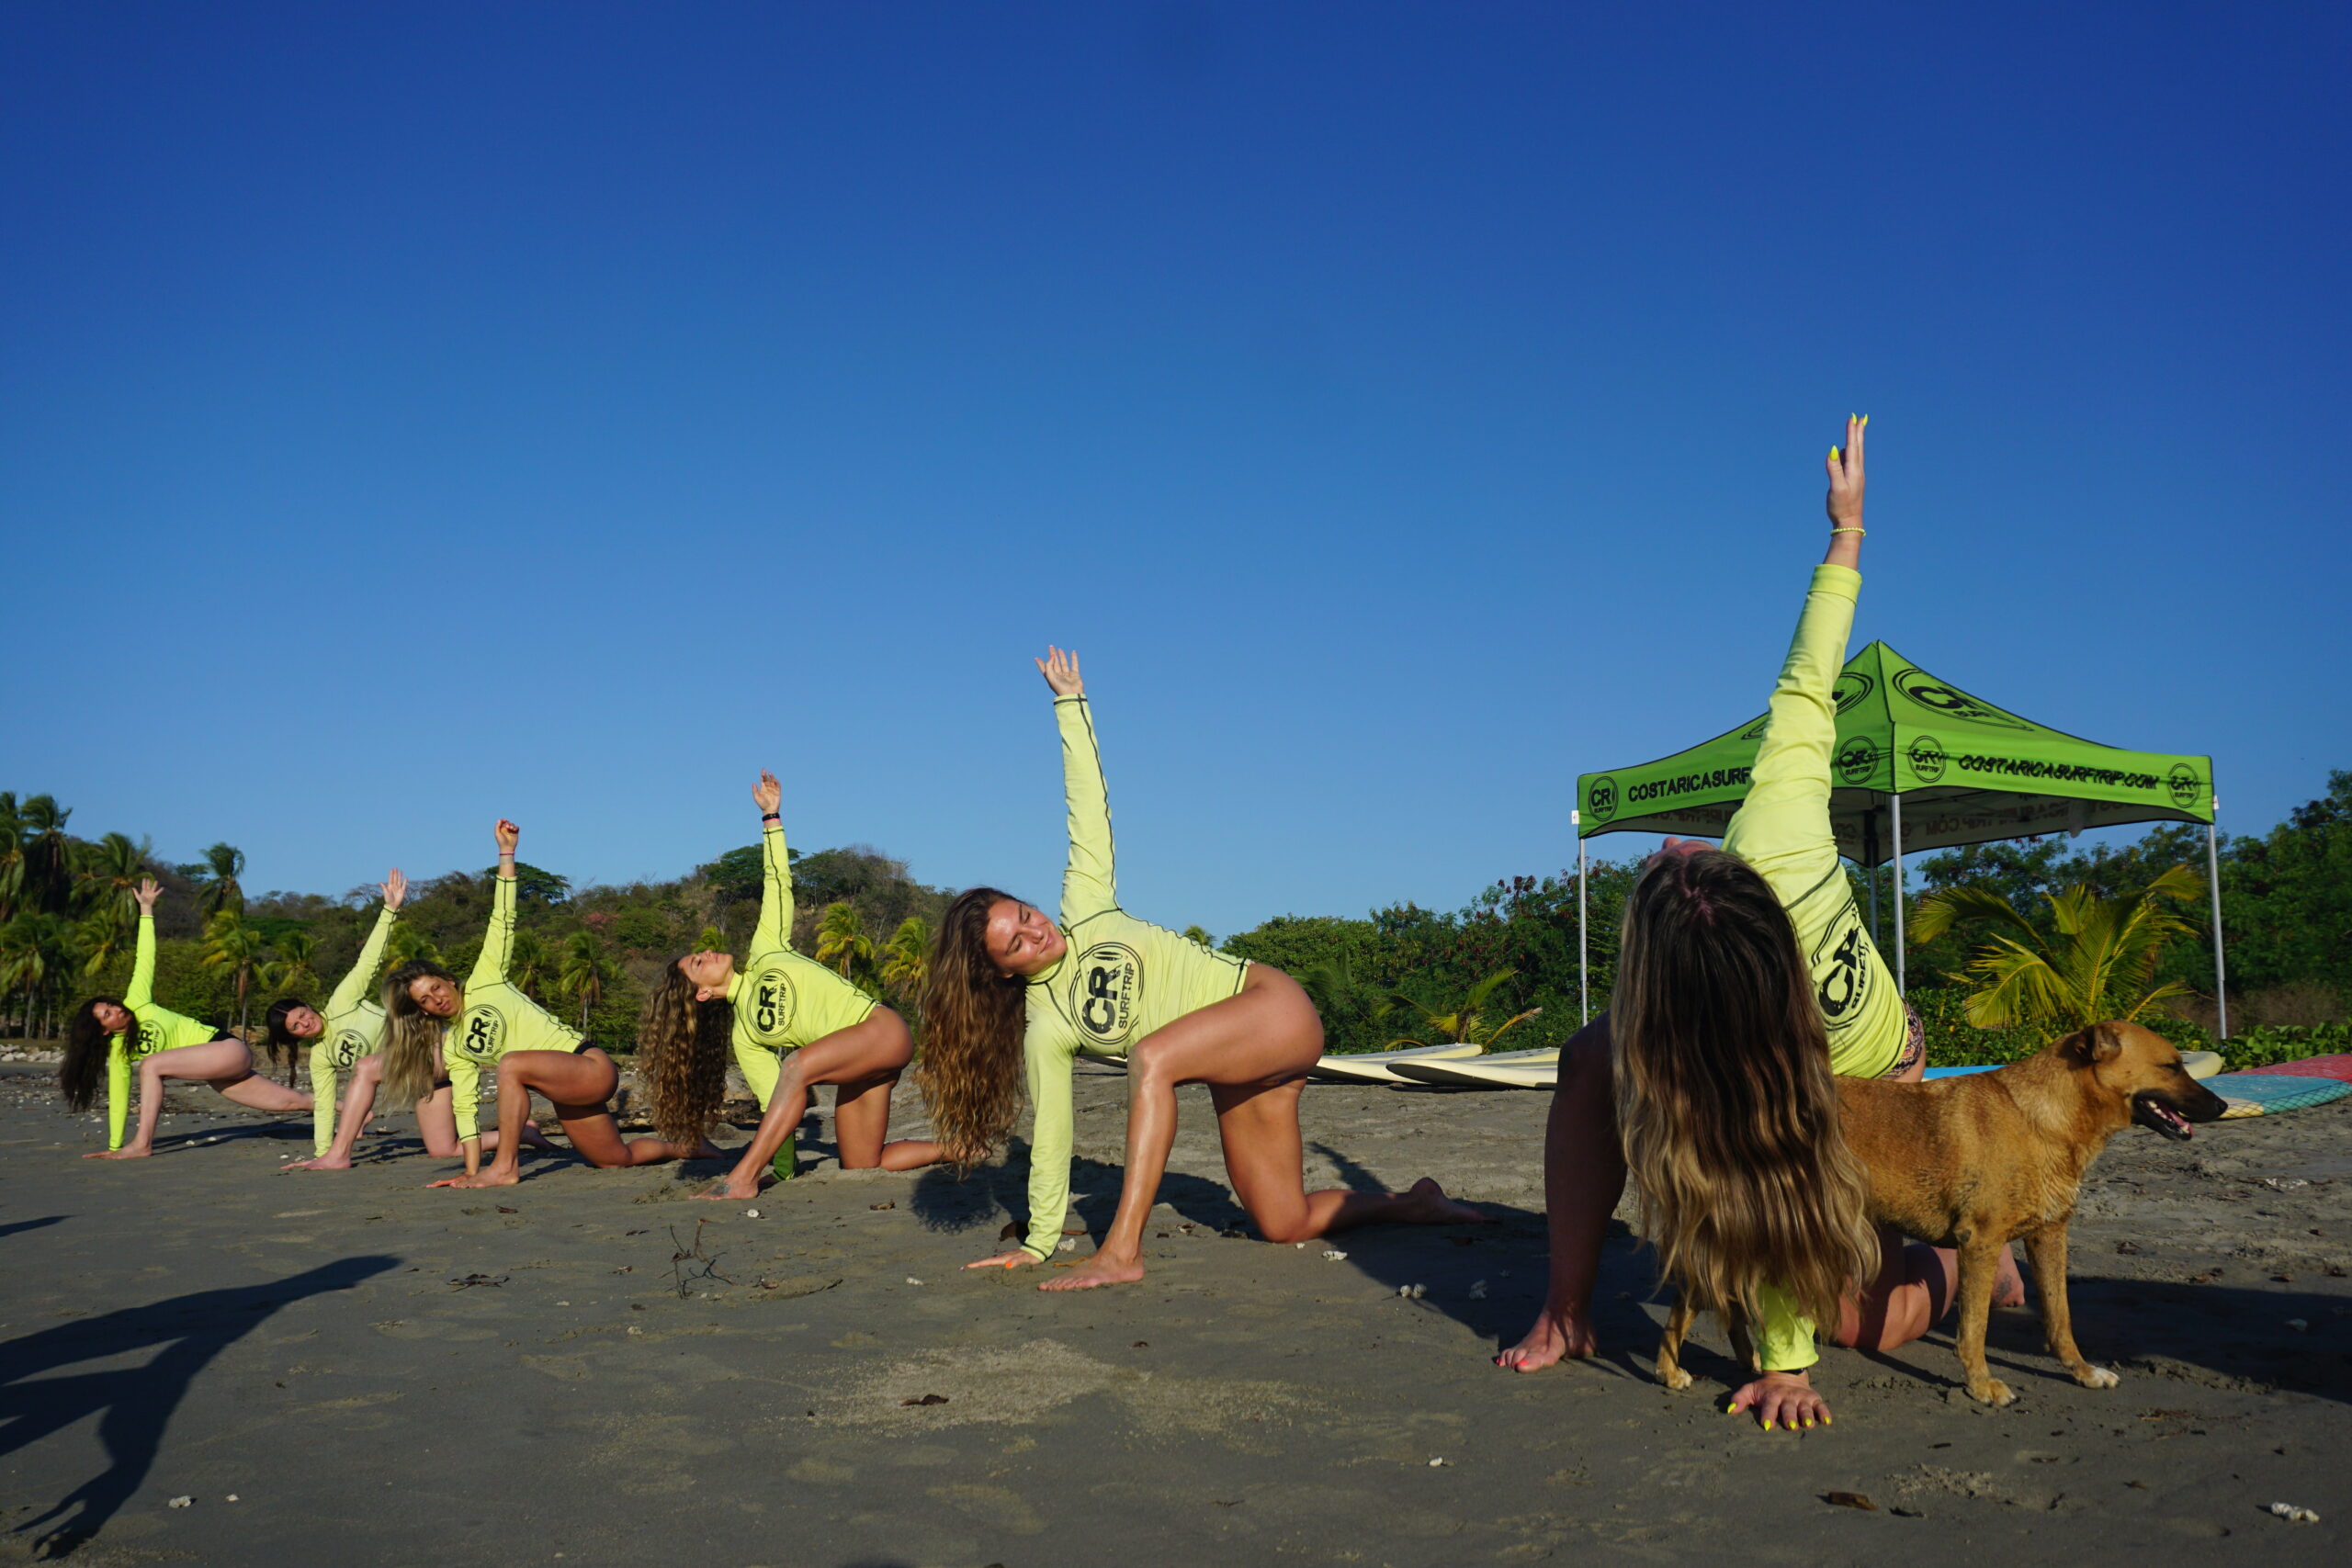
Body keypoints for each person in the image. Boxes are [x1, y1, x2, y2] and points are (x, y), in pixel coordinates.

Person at [1496, 416, 2015, 1429]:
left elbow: (1769, 1189)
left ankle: (1963, 1265)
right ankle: (1566, 1308)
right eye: (1674, 863)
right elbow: (1806, 676)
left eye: (1667, 863)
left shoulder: (1748, 1069)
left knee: (1860, 1322)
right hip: (1809, 1052)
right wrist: (1847, 535)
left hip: (1876, 1083)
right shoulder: (1773, 819)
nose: (1667, 852)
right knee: (1585, 1059)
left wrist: (1787, 1364)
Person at [929, 648, 1485, 1292]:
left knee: (1152, 1056)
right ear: (1000, 975)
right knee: (1283, 1220)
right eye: (1016, 944)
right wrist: (1039, 1242)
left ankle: (1122, 1251)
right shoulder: (1044, 1027)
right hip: (1239, 1065)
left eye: (1024, 914)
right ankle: (1414, 1202)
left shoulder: (1085, 904)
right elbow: (1053, 1136)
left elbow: (1085, 807)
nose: (1035, 931)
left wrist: (1069, 703)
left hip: (1269, 1005)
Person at [633, 770, 943, 1201]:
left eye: (700, 953)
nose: (705, 954)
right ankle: (964, 1148)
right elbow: (775, 1106)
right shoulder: (746, 1035)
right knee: (861, 1163)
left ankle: (740, 1179)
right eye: (696, 964)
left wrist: (771, 818)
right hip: (860, 1064)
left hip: (880, 1030)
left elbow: (777, 883)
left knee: (795, 1065)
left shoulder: (765, 949)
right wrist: (783, 1168)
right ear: (702, 994)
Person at [376, 819, 718, 1190]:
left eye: (436, 988)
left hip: (590, 1066)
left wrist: (506, 853)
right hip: (562, 1088)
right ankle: (686, 1146)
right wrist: (471, 1172)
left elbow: (502, 919)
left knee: (510, 1064)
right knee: (614, 1159)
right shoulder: (457, 1047)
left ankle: (506, 1167)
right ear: (423, 1011)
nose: (436, 999)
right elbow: (466, 1110)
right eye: (425, 1000)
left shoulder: (486, 979)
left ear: (448, 980)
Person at [273, 870, 555, 1172]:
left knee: (366, 1068)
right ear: (295, 1038)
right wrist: (320, 1151)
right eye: (296, 1028)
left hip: (435, 1051)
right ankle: (520, 1133)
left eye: (301, 1016)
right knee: (443, 1150)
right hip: (423, 1078)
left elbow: (368, 961)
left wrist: (390, 911)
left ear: (306, 1006)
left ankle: (341, 1154)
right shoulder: (321, 1056)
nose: (304, 1024)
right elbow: (325, 1105)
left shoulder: (341, 1002)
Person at [62, 878, 313, 1156]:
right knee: (293, 1102)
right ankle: (354, 1113)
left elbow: (145, 957)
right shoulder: (120, 1052)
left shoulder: (137, 1001)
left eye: (112, 1004)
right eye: (108, 1014)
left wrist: (146, 910)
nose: (118, 1009)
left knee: (151, 1065)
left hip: (226, 1048)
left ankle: (143, 1145)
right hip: (217, 1072)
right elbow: (120, 1099)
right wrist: (113, 1146)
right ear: (103, 1031)